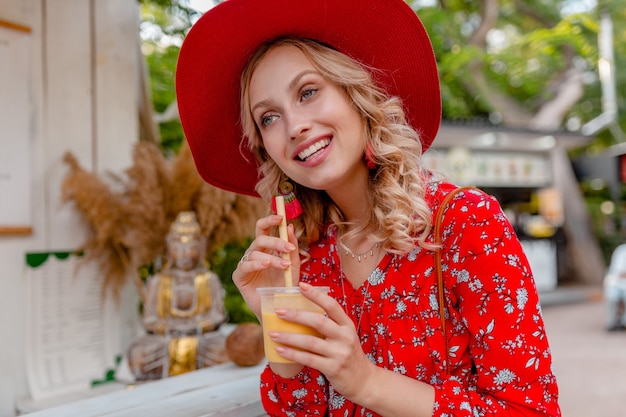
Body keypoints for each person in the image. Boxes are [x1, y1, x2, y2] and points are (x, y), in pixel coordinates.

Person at [175, 0, 561, 415]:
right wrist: (277, 314)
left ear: (358, 94)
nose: (294, 126)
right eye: (268, 118)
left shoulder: (465, 223)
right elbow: (301, 409)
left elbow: (532, 409)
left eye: (308, 92)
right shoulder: (306, 254)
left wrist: (364, 381)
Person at [603, 243, 626, 331]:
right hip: (617, 283)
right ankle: (611, 323)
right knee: (611, 297)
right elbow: (618, 271)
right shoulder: (621, 250)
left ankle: (624, 322)